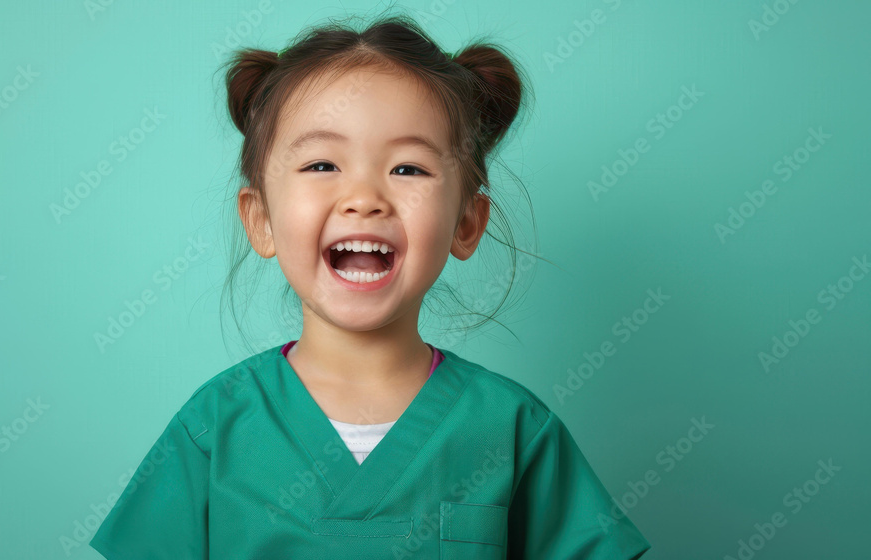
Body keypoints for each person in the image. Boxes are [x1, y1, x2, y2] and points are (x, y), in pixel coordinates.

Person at [90, 12, 651, 559]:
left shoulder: (513, 430)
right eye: (321, 165)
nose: (364, 196)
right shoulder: (215, 426)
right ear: (259, 218)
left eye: (408, 169)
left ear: (465, 223)